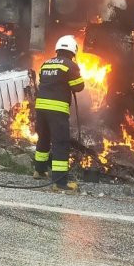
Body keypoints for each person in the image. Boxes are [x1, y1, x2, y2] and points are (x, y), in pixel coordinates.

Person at [33, 35, 85, 192]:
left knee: (43, 138)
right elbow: (78, 86)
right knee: (60, 143)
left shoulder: (46, 63)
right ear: (73, 50)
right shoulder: (70, 65)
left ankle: (39, 171)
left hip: (41, 108)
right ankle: (60, 182)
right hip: (57, 110)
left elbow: (43, 80)